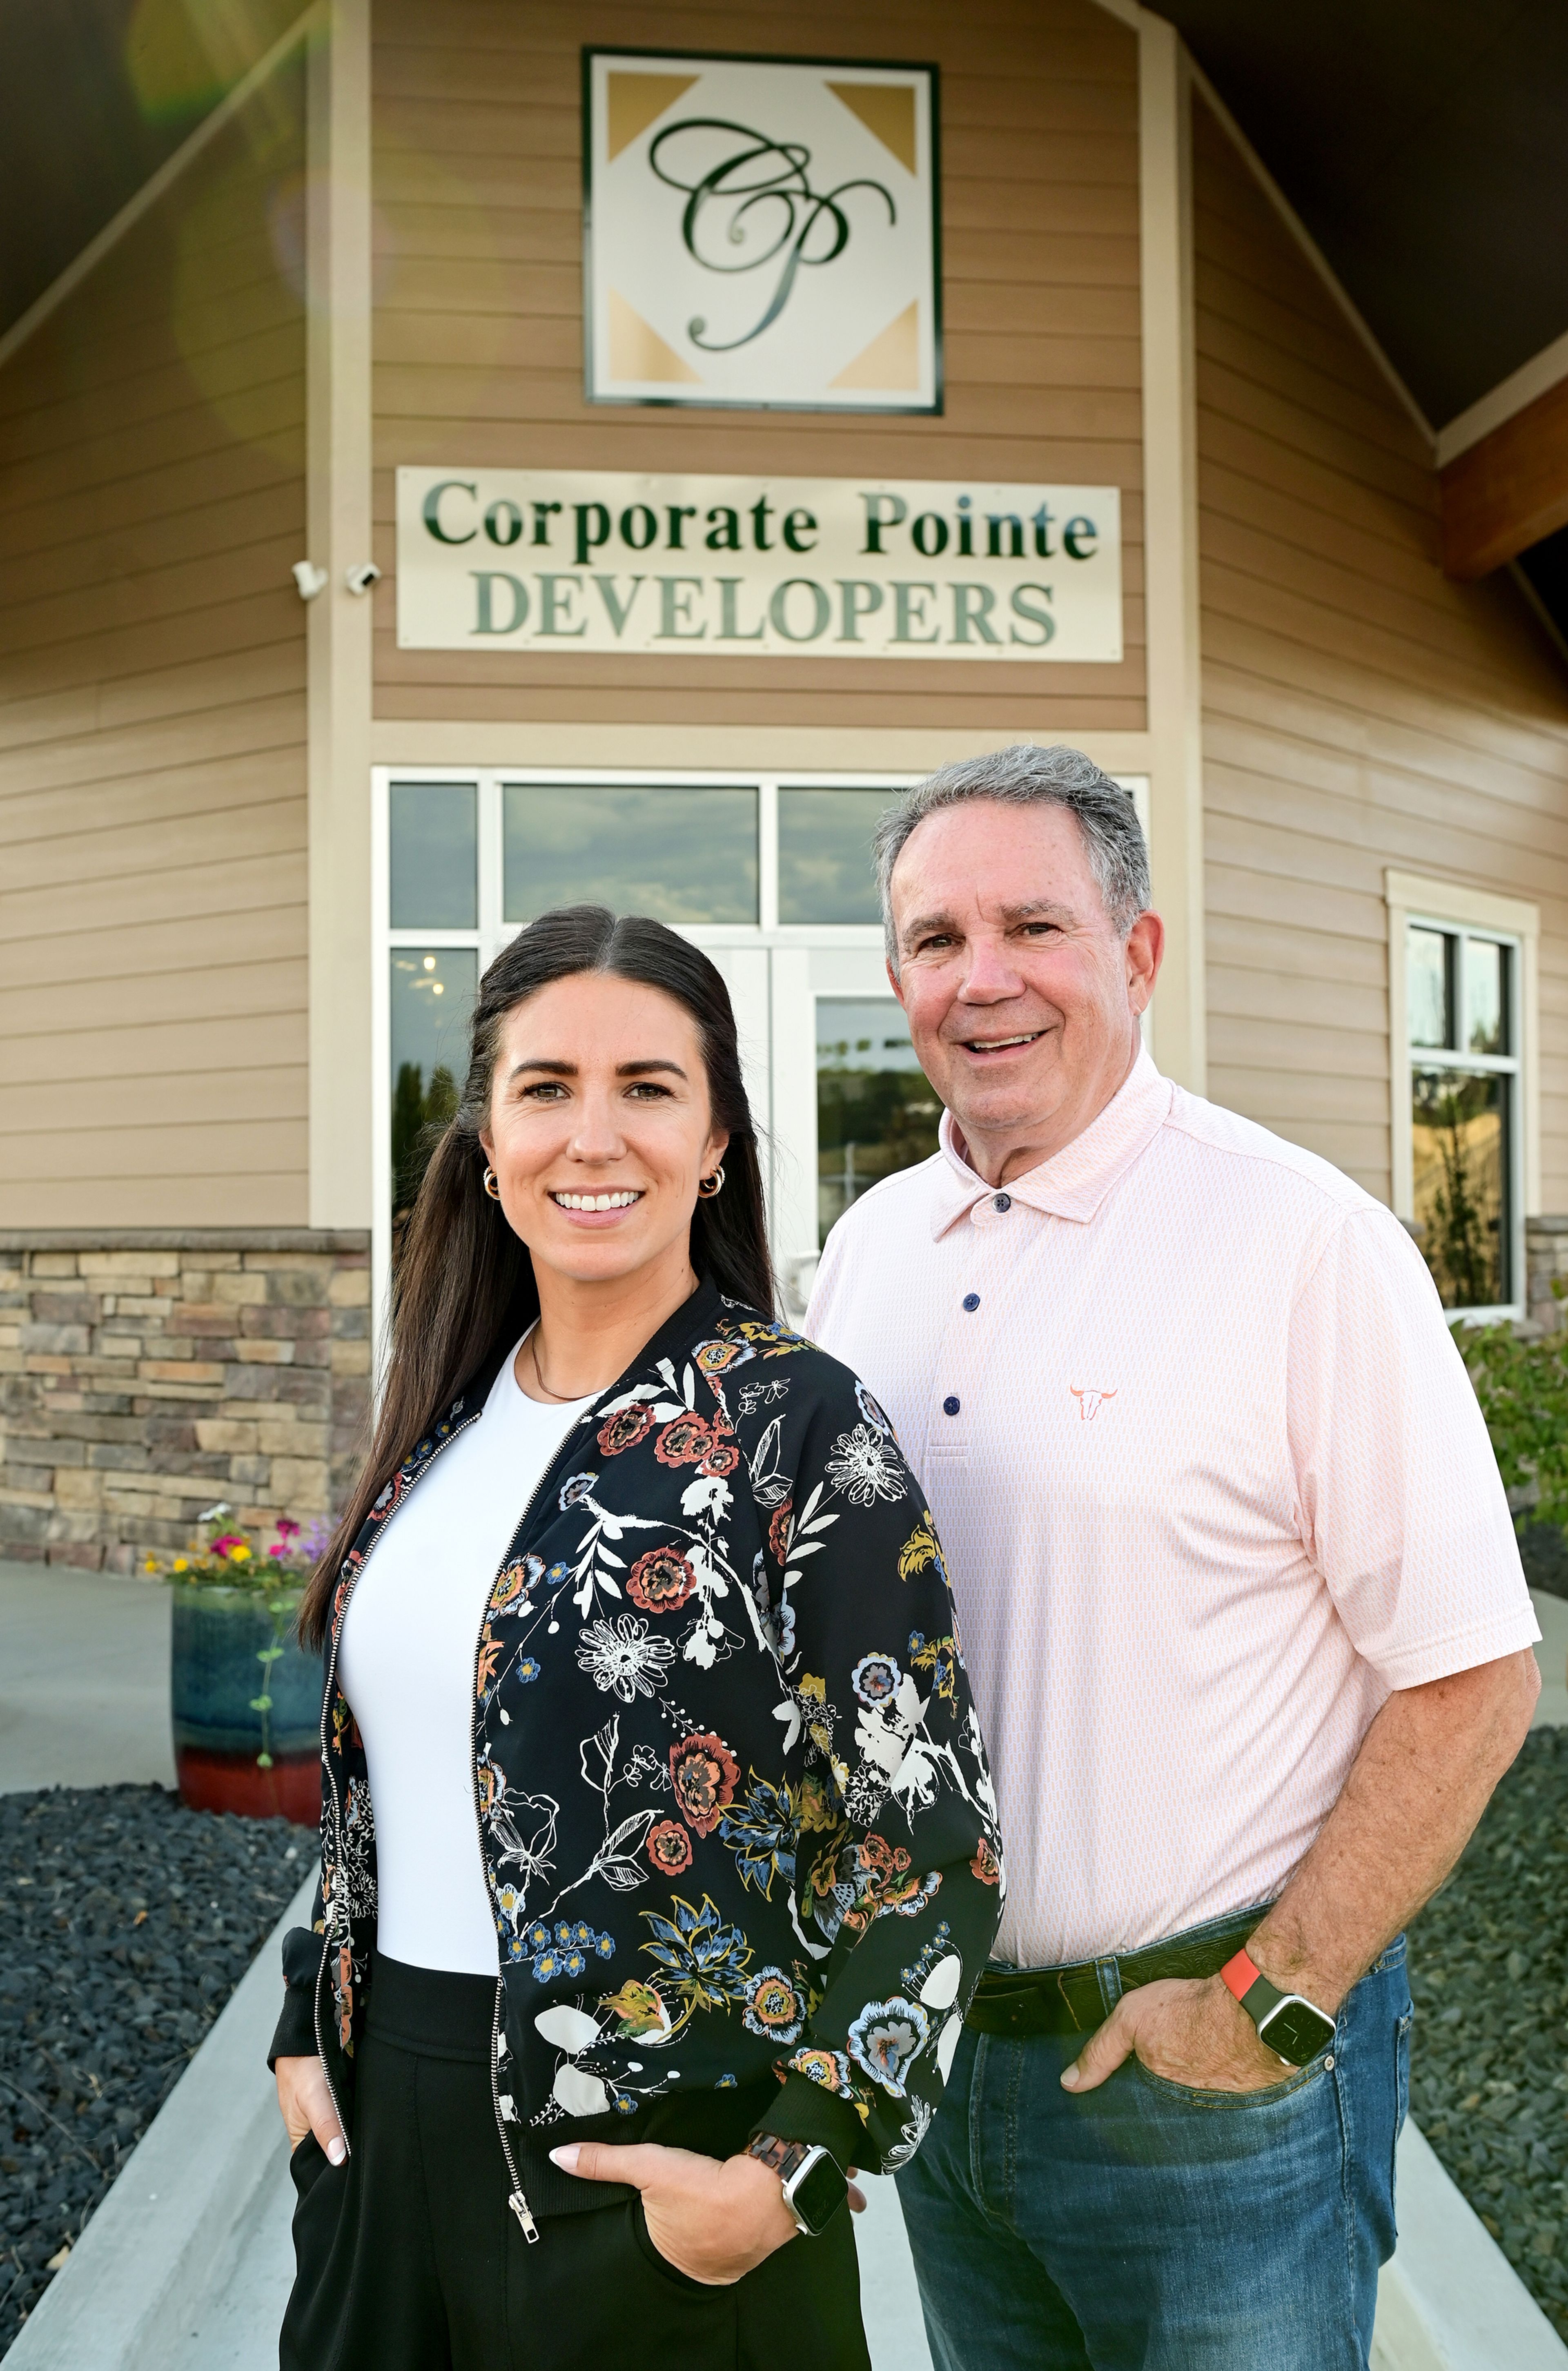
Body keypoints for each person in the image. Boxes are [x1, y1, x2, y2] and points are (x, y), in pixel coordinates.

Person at [806, 745, 1543, 2371]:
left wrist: (1271, 2002)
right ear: (898, 978)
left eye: (1035, 927)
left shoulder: (1302, 1245)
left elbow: (1476, 1677)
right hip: (941, 2073)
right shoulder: (865, 1257)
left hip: (1208, 2100)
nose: (982, 980)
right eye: (937, 940)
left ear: (1137, 954)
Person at [269, 904, 1003, 2371]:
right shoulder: (443, 1419)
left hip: (661, 2181)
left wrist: (788, 2169)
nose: (591, 1137)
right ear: (486, 1138)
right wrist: (310, 2004)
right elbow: (413, 1763)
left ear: (719, 1137)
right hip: (382, 2141)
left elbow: (930, 1845)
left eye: (647, 1088)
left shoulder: (797, 1425)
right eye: (546, 1088)